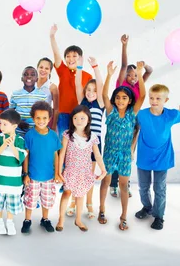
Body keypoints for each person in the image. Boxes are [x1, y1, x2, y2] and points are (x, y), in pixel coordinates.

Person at [98, 61, 146, 231]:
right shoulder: (110, 112)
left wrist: (139, 74)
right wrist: (110, 75)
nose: (120, 100)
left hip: (125, 154)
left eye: (124, 98)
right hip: (109, 153)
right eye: (118, 97)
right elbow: (104, 96)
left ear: (129, 100)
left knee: (124, 186)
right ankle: (102, 209)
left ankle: (124, 216)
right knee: (106, 181)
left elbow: (142, 97)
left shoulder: (132, 114)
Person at [135, 84, 180, 231]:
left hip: (162, 157)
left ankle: (159, 216)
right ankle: (147, 207)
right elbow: (135, 129)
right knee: (143, 186)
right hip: (144, 155)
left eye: (158, 98)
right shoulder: (142, 115)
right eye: (151, 98)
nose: (154, 101)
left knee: (160, 188)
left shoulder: (171, 115)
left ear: (166, 100)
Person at [110, 35, 154, 197]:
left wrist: (142, 66)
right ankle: (113, 185)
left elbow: (150, 71)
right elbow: (123, 66)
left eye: (135, 76)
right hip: (119, 121)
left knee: (128, 154)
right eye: (130, 75)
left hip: (133, 123)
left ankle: (125, 184)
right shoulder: (121, 85)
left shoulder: (139, 82)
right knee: (116, 151)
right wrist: (124, 45)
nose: (133, 78)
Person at [55, 105, 107, 232]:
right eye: (76, 118)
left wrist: (103, 169)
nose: (79, 121)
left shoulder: (92, 137)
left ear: (88, 120)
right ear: (72, 120)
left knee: (80, 196)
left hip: (84, 172)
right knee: (66, 193)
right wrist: (58, 171)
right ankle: (61, 219)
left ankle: (78, 219)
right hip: (70, 171)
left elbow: (98, 155)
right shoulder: (68, 134)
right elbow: (61, 154)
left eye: (82, 118)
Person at [67, 56, 104, 218]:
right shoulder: (82, 103)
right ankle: (74, 202)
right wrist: (80, 68)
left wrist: (95, 66)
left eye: (94, 91)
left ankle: (89, 203)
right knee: (76, 174)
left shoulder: (101, 103)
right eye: (88, 90)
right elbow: (77, 84)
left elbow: (101, 86)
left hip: (94, 145)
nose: (90, 93)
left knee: (88, 176)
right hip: (78, 144)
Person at [21, 101, 63, 234]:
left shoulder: (53, 136)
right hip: (33, 176)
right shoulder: (29, 135)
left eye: (45, 118)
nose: (41, 121)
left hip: (48, 177)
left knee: (47, 199)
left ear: (50, 118)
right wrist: (25, 174)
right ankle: (27, 220)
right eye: (38, 118)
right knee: (30, 200)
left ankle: (45, 219)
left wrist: (57, 173)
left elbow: (56, 155)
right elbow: (26, 156)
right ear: (33, 118)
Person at [0, 109, 27, 236]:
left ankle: (10, 221)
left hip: (13, 180)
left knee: (11, 203)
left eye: (5, 124)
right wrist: (4, 144)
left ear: (14, 126)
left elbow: (20, 158)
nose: (1, 126)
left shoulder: (20, 140)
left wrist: (12, 146)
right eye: (0, 123)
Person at [49, 24, 92, 142]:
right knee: (63, 144)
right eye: (68, 56)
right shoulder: (63, 70)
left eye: (74, 56)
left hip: (80, 116)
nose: (71, 58)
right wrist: (52, 36)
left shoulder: (88, 76)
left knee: (77, 144)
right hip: (64, 114)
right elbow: (56, 55)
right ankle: (61, 161)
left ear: (80, 58)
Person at [10, 66, 48, 138]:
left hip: (36, 133)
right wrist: (18, 122)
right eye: (26, 74)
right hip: (18, 133)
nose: (29, 77)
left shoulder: (42, 96)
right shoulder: (15, 94)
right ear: (22, 79)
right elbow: (11, 112)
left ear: (37, 79)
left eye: (32, 74)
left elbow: (44, 114)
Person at [36, 58, 59, 129]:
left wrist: (54, 126)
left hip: (45, 121)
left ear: (50, 71)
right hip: (31, 119)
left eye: (46, 68)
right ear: (37, 68)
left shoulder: (52, 87)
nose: (43, 70)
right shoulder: (31, 84)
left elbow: (56, 109)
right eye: (41, 67)